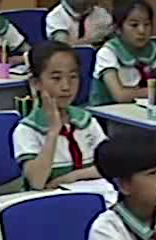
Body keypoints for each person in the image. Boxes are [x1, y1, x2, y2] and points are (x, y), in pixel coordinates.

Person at [14, 41, 108, 188]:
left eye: (73, 77)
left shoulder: (86, 121)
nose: (66, 86)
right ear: (36, 83)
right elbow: (37, 182)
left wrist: (72, 177)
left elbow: (110, 167)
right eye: (56, 78)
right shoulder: (27, 130)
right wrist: (53, 131)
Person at [91, 0, 156, 105]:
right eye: (134, 25)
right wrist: (155, 91)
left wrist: (137, 93)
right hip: (107, 110)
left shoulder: (151, 49)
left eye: (147, 24)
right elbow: (120, 96)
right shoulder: (107, 52)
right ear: (118, 28)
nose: (142, 31)